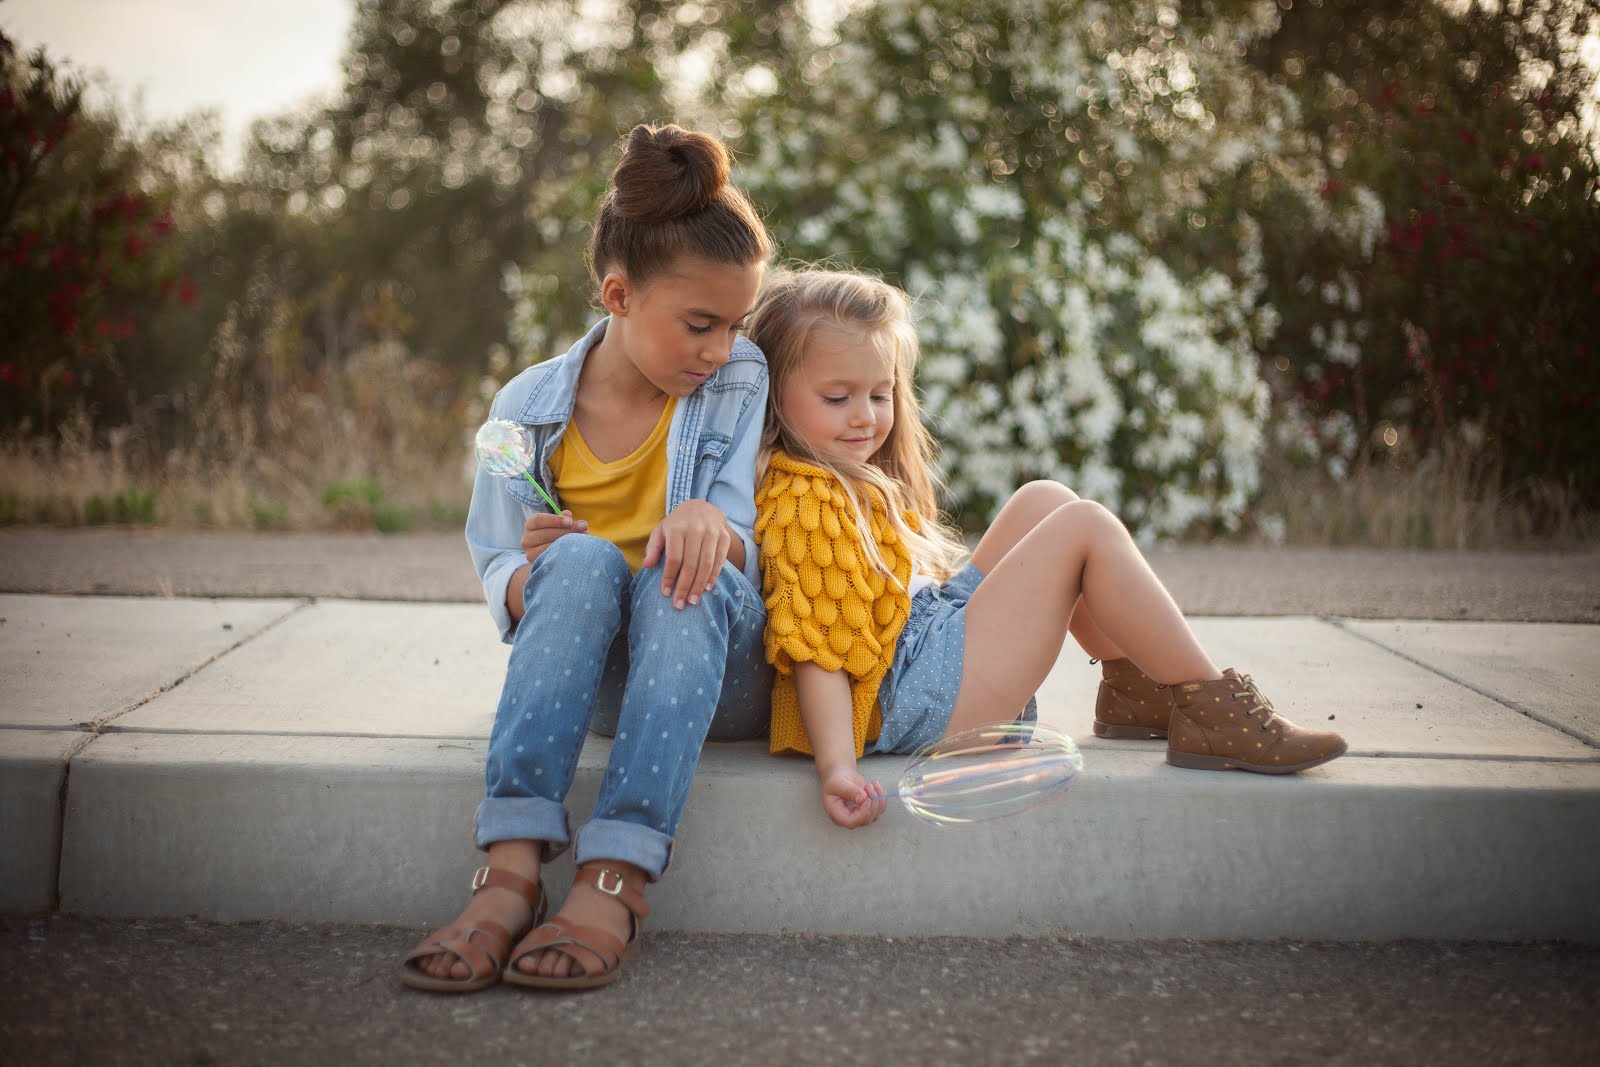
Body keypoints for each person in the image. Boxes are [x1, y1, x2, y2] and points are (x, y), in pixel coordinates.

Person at [747, 268, 1346, 829]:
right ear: (776, 396)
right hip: (910, 695)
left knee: (1046, 500)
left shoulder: (839, 475)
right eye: (837, 398)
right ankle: (1215, 712)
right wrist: (837, 768)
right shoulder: (804, 496)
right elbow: (817, 647)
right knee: (1082, 528)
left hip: (918, 651)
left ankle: (1133, 690)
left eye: (881, 395)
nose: (865, 417)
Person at [400, 124, 773, 991]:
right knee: (579, 565)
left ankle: (617, 876)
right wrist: (538, 575)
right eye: (699, 324)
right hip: (600, 677)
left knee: (689, 567)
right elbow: (495, 556)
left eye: (735, 323)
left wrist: (709, 523)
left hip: (712, 659)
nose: (720, 347)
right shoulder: (522, 412)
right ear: (617, 294)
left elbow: (739, 532)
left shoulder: (740, 381)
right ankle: (511, 870)